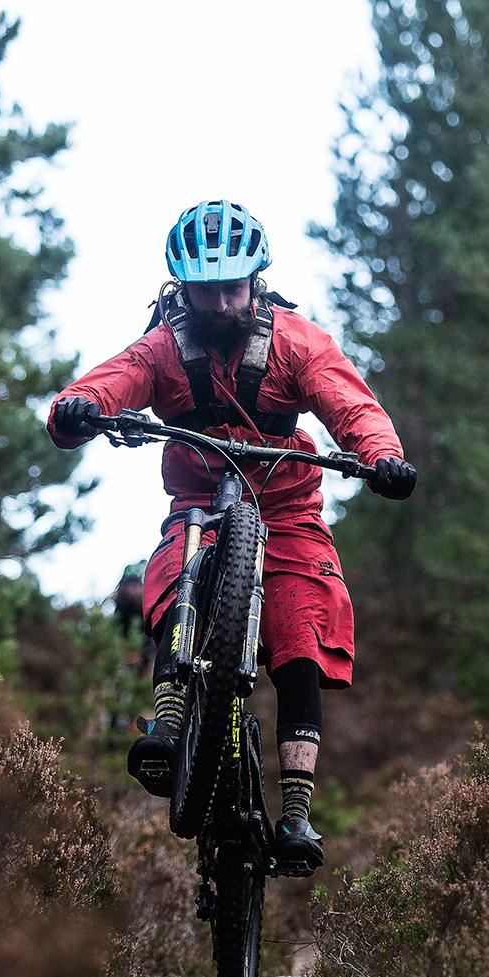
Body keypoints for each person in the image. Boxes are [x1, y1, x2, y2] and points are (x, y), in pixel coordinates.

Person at [46, 199, 415, 873]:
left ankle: (296, 811)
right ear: (181, 287)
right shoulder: (163, 346)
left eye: (231, 286)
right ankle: (166, 721)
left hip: (288, 508)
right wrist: (77, 410)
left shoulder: (296, 342)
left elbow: (350, 404)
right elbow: (108, 383)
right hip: (198, 503)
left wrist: (380, 454)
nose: (218, 302)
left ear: (256, 281)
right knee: (169, 576)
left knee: (302, 621)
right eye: (204, 288)